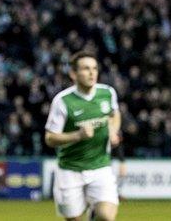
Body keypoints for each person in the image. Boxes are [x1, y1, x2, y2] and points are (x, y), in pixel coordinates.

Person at [44, 51, 121, 221]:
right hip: (70, 169)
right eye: (86, 69)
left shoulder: (107, 93)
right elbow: (50, 138)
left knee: (106, 216)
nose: (92, 73)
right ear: (73, 74)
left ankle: (94, 213)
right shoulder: (63, 101)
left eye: (94, 68)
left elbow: (115, 114)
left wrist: (113, 130)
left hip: (100, 166)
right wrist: (77, 135)